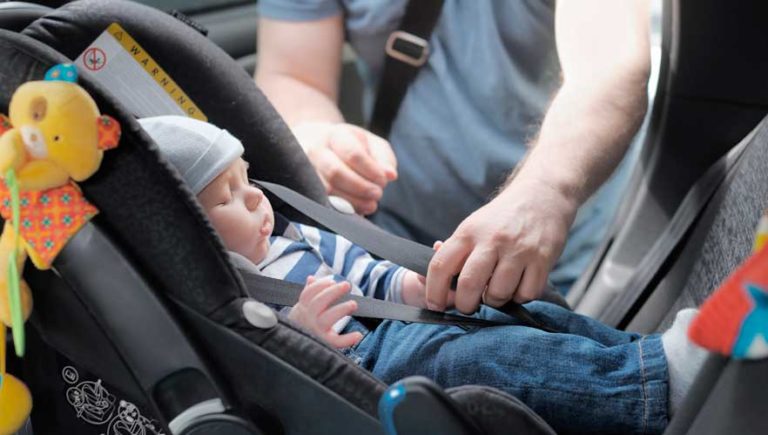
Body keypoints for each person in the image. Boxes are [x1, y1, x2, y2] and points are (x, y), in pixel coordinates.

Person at [139, 115, 707, 434]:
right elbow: (272, 361)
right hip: (366, 362)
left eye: (248, 182)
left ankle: (645, 356)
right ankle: (651, 390)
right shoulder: (231, 289)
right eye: (227, 200)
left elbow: (361, 271)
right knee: (479, 361)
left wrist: (414, 285)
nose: (256, 202)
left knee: (524, 316)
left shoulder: (294, 235)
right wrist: (307, 332)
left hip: (399, 321)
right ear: (191, 230)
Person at [254, 0, 652, 312]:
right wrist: (317, 136)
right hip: (398, 244)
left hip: (566, 249)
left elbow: (610, 65)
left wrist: (547, 191)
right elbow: (292, 75)